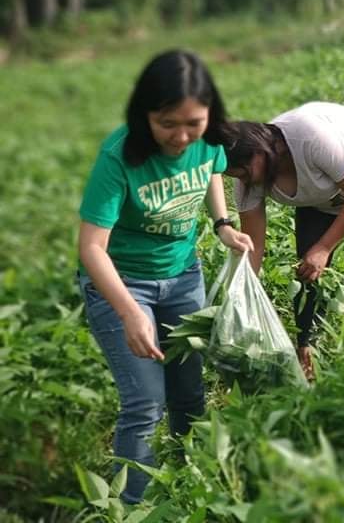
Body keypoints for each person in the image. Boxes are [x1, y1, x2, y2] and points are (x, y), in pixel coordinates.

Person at [77, 50, 254, 504]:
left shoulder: (210, 138)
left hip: (182, 278)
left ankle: (186, 487)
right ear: (145, 116)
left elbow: (213, 172)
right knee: (145, 404)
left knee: (189, 394)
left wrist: (223, 224)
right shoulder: (120, 156)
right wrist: (130, 311)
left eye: (192, 123)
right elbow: (91, 248)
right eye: (167, 124)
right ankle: (131, 509)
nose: (181, 137)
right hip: (122, 283)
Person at [222, 102, 344, 380]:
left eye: (244, 171)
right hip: (319, 194)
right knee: (306, 270)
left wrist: (325, 247)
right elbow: (252, 242)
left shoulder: (311, 138)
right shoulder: (248, 179)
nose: (243, 180)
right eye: (235, 176)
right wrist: (244, 291)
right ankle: (307, 347)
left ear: (261, 151)